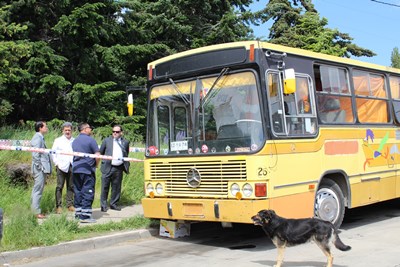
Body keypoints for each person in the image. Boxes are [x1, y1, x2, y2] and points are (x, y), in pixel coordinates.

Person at [72, 123, 100, 223]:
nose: (91, 129)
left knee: (78, 191)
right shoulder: (91, 140)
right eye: (89, 128)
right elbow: (97, 155)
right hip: (87, 170)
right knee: (88, 191)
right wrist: (96, 165)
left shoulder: (75, 141)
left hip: (76, 169)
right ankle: (85, 216)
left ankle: (78, 213)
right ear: (85, 129)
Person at [99, 125, 130, 212]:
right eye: (113, 132)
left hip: (119, 168)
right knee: (105, 187)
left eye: (117, 132)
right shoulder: (106, 140)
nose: (115, 133)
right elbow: (101, 152)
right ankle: (103, 205)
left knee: (116, 187)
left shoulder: (125, 142)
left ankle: (114, 204)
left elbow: (126, 153)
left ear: (121, 133)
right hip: (107, 167)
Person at [51, 122, 75, 214]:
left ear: (71, 130)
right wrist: (56, 163)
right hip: (61, 166)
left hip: (71, 165)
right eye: (66, 130)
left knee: (71, 186)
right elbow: (53, 152)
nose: (67, 132)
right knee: (59, 186)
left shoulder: (74, 140)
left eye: (69, 130)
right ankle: (59, 206)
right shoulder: (58, 140)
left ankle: (70, 205)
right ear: (62, 130)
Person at [31, 121, 52, 219]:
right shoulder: (37, 137)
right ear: (40, 128)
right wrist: (40, 167)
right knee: (38, 190)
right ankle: (36, 212)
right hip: (39, 169)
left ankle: (34, 210)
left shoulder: (40, 137)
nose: (47, 128)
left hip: (41, 168)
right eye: (45, 126)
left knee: (38, 189)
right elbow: (35, 154)